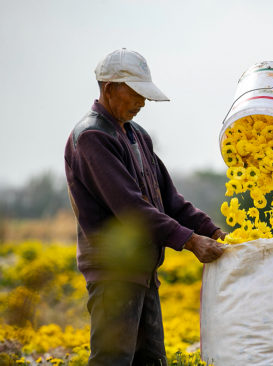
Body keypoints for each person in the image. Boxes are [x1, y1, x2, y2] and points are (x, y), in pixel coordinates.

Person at [64, 48, 226, 366]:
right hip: (114, 273)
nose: (142, 103)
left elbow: (170, 201)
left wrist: (214, 232)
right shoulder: (92, 136)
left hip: (142, 272)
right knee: (113, 360)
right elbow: (131, 209)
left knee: (151, 360)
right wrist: (191, 241)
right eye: (136, 93)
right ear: (110, 88)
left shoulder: (137, 136)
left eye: (144, 95)